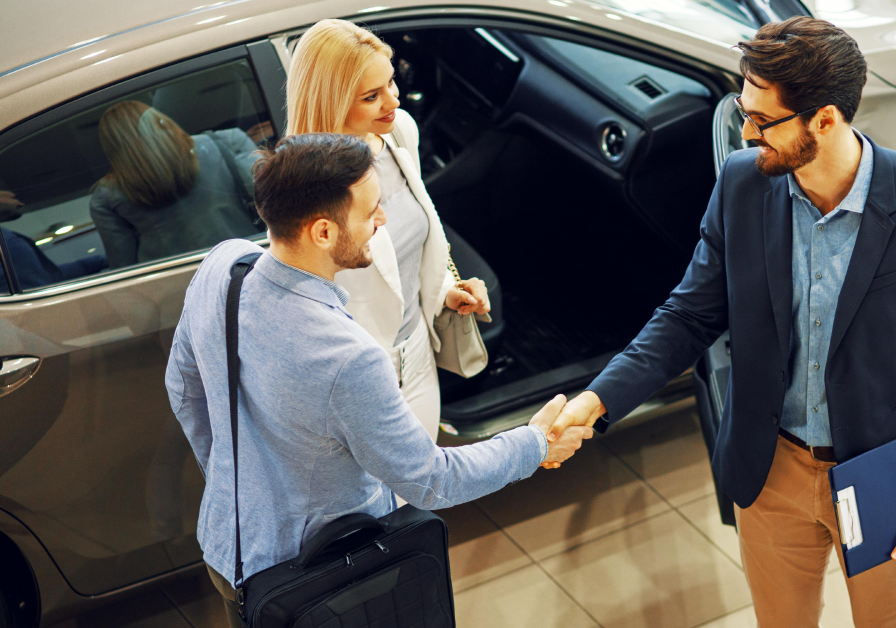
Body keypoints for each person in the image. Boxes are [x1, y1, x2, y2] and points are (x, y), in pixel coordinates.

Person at [543, 17, 896, 627]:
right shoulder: (741, 185)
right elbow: (688, 314)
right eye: (743, 109)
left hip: (882, 473)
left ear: (826, 119)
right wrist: (595, 403)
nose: (746, 131)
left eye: (763, 120)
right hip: (770, 468)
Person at [165, 132, 591, 627]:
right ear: (322, 232)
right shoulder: (346, 359)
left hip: (231, 554)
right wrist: (535, 445)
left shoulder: (224, 266)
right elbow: (431, 480)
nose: (382, 221)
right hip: (322, 578)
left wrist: (238, 484)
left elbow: (183, 388)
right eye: (370, 212)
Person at [286, 19, 490, 442]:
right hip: (355, 378)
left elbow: (413, 240)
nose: (393, 100)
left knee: (416, 494)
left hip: (417, 354)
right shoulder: (305, 187)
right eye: (371, 96)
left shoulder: (399, 133)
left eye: (392, 82)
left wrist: (444, 292)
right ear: (333, 102)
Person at [90, 101, 264, 268]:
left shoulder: (106, 196)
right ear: (161, 122)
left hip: (173, 286)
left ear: (112, 148)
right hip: (246, 264)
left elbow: (123, 269)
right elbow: (274, 204)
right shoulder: (228, 142)